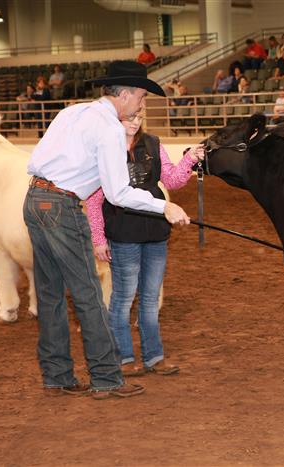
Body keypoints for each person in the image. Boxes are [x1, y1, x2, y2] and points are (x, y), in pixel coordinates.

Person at [23, 60, 192, 400]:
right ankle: (106, 377)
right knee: (88, 294)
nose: (141, 105)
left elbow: (40, 157)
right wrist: (163, 206)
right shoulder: (110, 129)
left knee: (50, 293)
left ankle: (57, 375)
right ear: (125, 94)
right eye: (141, 97)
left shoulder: (72, 112)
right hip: (63, 206)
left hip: (35, 199)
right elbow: (118, 193)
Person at [85, 111, 202, 377]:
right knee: (123, 298)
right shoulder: (104, 149)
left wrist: (190, 159)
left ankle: (154, 356)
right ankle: (124, 358)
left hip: (155, 230)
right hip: (122, 231)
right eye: (129, 117)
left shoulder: (153, 143)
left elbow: (171, 179)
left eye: (139, 116)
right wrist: (99, 239)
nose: (136, 122)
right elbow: (94, 200)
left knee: (150, 298)